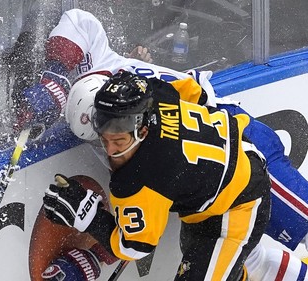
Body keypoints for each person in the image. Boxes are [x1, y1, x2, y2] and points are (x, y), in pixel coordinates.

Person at [22, 8, 308, 280]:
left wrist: (56, 73)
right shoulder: (123, 129)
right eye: (100, 135)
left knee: (300, 223)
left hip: (236, 145)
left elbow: (78, 20)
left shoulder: (134, 153)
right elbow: (141, 216)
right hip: (207, 186)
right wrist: (56, 76)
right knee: (246, 255)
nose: (107, 145)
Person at [43, 71, 271, 280]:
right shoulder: (154, 92)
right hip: (237, 152)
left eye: (119, 141)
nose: (110, 151)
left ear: (142, 131)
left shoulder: (142, 176)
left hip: (239, 203)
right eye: (103, 139)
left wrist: (91, 217)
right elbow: (197, 94)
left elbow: (135, 246)